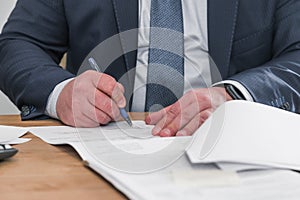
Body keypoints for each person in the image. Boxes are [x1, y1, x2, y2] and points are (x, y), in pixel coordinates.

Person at [0, 0, 299, 137]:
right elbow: (17, 43)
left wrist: (233, 96)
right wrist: (61, 92)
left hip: (238, 151)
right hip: (101, 154)